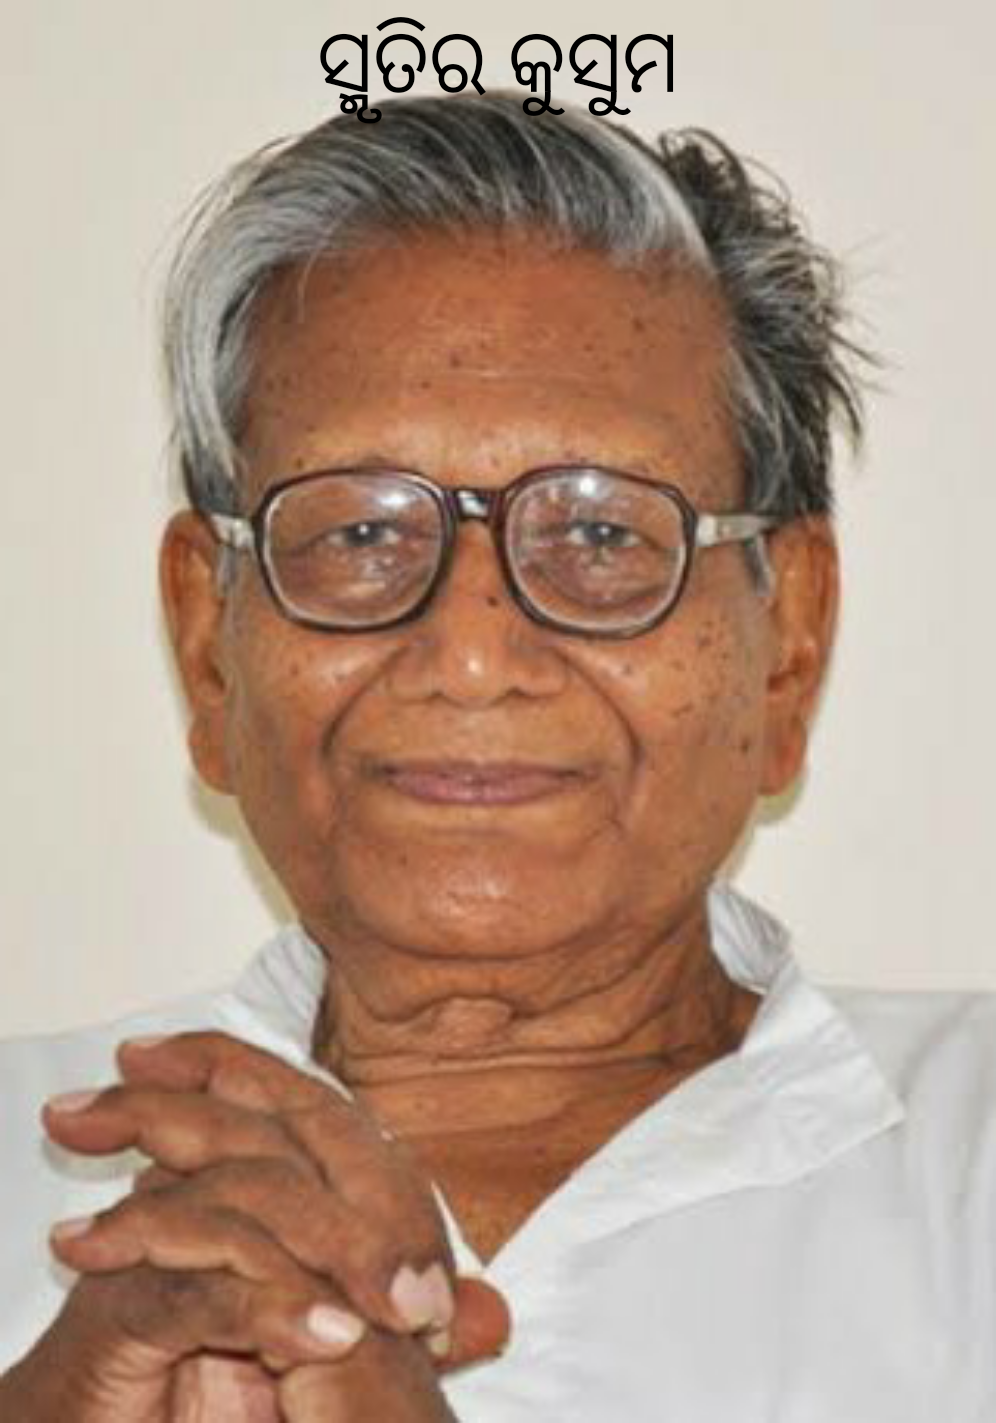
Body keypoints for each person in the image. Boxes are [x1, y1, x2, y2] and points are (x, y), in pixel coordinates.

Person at [1, 91, 993, 1422]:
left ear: (786, 644)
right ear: (209, 646)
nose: (470, 654)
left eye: (601, 534)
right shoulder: (40, 1164)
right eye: (360, 533)